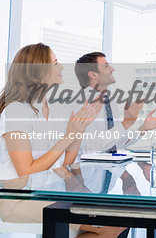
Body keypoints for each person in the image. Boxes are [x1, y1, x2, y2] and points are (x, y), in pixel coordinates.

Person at [0, 43, 125, 237]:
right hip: (18, 199)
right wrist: (69, 136)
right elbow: (26, 170)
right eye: (56, 63)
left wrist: (77, 132)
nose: (62, 68)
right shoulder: (16, 109)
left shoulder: (51, 109)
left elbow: (64, 163)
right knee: (110, 225)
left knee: (118, 222)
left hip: (48, 190)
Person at [74, 52, 156, 154]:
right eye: (106, 66)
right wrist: (125, 123)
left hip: (111, 166)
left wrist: (143, 128)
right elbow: (89, 148)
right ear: (93, 75)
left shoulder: (109, 101)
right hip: (90, 168)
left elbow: (116, 142)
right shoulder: (80, 104)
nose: (112, 69)